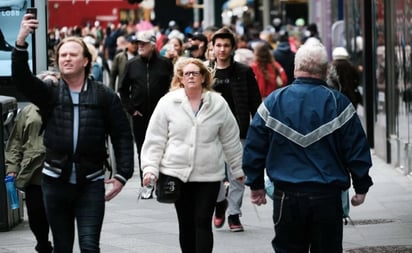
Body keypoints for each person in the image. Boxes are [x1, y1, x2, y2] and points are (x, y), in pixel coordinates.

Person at [12, 13, 134, 253]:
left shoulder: (104, 95)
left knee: (90, 246)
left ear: (86, 60)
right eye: (62, 55)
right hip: (55, 180)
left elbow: (122, 135)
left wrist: (123, 175)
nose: (66, 59)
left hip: (91, 181)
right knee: (63, 246)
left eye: (72, 55)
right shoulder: (50, 91)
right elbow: (22, 80)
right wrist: (21, 41)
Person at [242, 40, 373, 252]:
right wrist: (361, 184)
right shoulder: (339, 103)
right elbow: (356, 148)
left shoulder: (272, 103)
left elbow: (255, 147)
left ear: (295, 68)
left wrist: (255, 184)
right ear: (325, 70)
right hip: (327, 196)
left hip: (287, 195)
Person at [141, 58, 244, 253]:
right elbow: (155, 139)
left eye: (195, 73)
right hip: (177, 173)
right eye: (186, 73)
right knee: (186, 223)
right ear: (180, 78)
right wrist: (150, 169)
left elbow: (230, 138)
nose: (190, 76)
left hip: (209, 175)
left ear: (204, 77)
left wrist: (237, 168)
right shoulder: (168, 102)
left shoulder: (218, 103)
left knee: (202, 221)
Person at [211, 27, 261, 232]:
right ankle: (220, 203)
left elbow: (255, 102)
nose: (222, 49)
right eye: (218, 45)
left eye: (226, 45)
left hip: (238, 131)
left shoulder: (244, 71)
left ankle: (233, 213)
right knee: (213, 175)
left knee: (237, 175)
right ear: (212, 48)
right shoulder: (206, 71)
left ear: (232, 48)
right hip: (211, 132)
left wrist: (257, 128)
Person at [5, 71, 59, 253]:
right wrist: (12, 168)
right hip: (34, 173)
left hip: (60, 171)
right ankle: (43, 243)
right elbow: (15, 143)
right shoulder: (28, 112)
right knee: (36, 214)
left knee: (59, 215)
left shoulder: (65, 108)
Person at [119, 30, 173, 199]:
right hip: (140, 115)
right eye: (138, 44)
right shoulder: (131, 64)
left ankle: (161, 184)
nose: (140, 46)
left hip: (163, 115)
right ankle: (146, 184)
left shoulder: (165, 63)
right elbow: (122, 89)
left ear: (153, 45)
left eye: (143, 44)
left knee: (164, 148)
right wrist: (131, 109)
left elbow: (173, 86)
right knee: (143, 149)